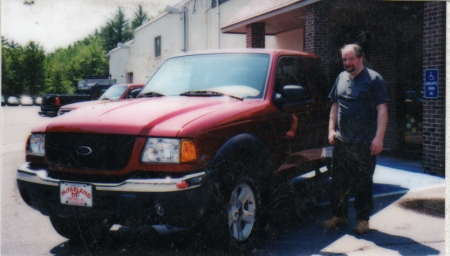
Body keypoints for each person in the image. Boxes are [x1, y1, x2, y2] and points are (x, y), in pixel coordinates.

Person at [323, 44, 388, 234]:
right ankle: (339, 216)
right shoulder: (341, 77)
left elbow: (382, 110)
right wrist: (331, 129)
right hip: (343, 141)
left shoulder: (374, 79)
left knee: (363, 183)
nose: (347, 63)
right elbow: (335, 104)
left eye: (351, 59)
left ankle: (362, 220)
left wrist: (379, 138)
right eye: (344, 59)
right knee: (338, 181)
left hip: (365, 143)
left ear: (361, 58)